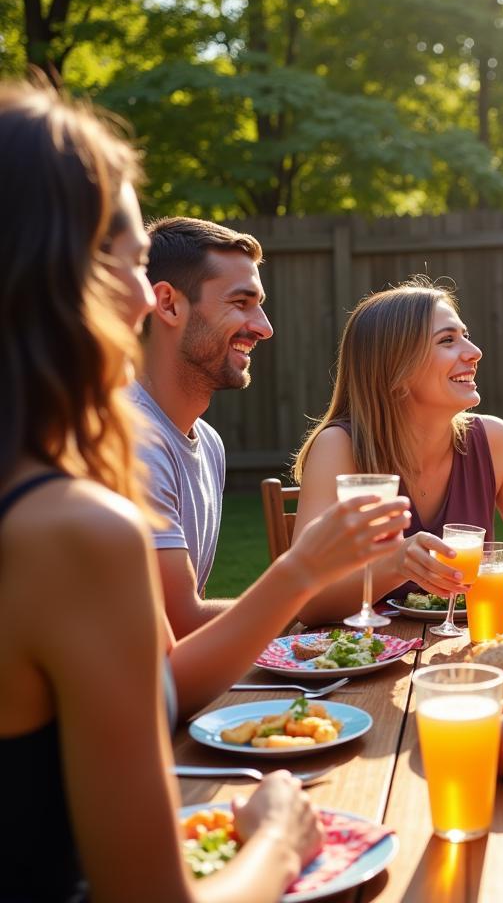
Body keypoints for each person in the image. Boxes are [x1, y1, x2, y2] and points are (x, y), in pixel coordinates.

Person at [0, 79, 322, 902]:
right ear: (56, 272)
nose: (145, 296)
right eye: (132, 261)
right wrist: (282, 836)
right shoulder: (71, 528)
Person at [133, 217, 411, 714]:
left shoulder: (208, 443)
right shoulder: (134, 441)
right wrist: (304, 593)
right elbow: (180, 623)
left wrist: (312, 614)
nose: (264, 327)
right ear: (168, 303)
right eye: (241, 303)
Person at [292, 277, 503, 626]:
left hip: (466, 655)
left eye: (465, 335)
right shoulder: (339, 447)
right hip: (369, 668)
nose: (474, 352)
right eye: (447, 340)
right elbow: (307, 604)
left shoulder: (494, 441)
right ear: (395, 368)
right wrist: (394, 566)